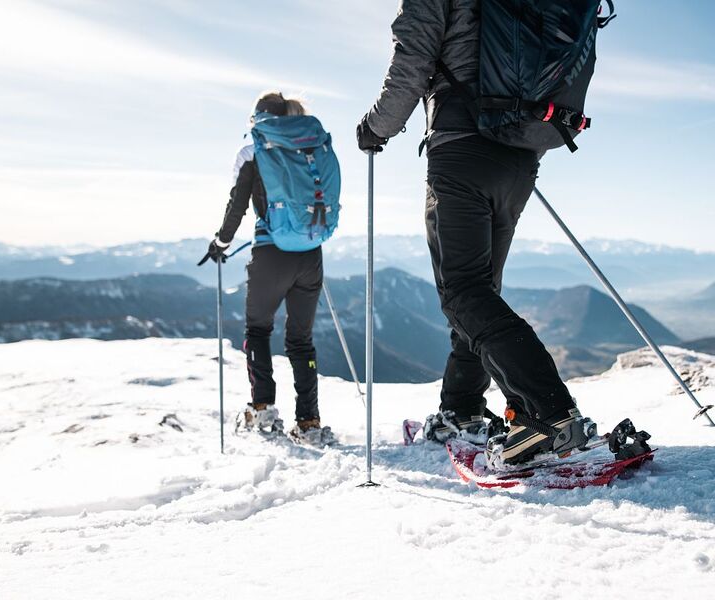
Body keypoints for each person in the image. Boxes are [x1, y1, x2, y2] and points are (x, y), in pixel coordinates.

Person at [356, 0, 597, 466]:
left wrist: (376, 127)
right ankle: (462, 407)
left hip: (462, 146)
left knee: (464, 291)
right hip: (523, 152)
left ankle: (548, 412)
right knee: (479, 292)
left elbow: (412, 59)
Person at [209, 91, 335, 446]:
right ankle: (309, 422)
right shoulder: (310, 148)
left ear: (259, 119)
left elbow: (237, 205)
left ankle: (262, 408)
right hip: (310, 253)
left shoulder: (253, 150)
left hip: (270, 253)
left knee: (258, 329)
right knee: (301, 340)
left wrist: (221, 243)